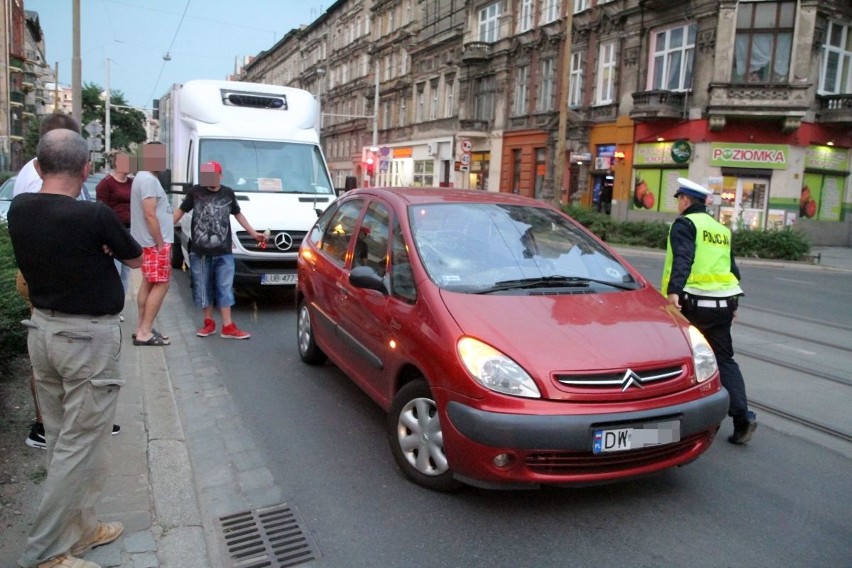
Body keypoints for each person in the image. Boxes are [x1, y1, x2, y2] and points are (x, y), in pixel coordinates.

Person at [7, 128, 143, 568]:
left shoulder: (20, 208)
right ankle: (45, 553)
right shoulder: (94, 216)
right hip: (86, 342)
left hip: (43, 334)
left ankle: (82, 527)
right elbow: (137, 257)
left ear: (39, 167)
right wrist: (106, 248)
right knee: (78, 446)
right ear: (87, 169)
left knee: (68, 440)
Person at [12, 112, 121, 449]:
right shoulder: (41, 189)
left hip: (51, 301)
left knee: (52, 367)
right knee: (80, 435)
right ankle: (51, 426)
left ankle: (53, 425)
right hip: (68, 310)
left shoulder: (29, 193)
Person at [661, 177, 757, 445]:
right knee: (725, 361)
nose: (678, 204)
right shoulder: (720, 229)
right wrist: (734, 304)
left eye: (678, 199)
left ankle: (680, 426)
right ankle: (743, 418)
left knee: (684, 361)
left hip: (693, 305)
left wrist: (674, 292)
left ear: (684, 200)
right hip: (723, 305)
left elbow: (684, 258)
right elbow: (731, 270)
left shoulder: (685, 224)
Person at [173, 160, 266, 339]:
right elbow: (180, 212)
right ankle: (208, 323)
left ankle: (228, 326)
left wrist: (253, 233)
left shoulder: (228, 193)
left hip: (223, 251)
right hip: (200, 251)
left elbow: (238, 213)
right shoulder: (195, 192)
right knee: (203, 288)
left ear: (220, 175)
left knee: (225, 288)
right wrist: (164, 227)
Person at [130, 142, 173, 346]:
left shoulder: (143, 177)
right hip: (153, 243)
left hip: (147, 243)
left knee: (149, 282)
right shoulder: (148, 180)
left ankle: (142, 327)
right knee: (162, 284)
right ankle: (144, 331)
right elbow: (150, 215)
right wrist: (160, 243)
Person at [96, 151, 134, 301]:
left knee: (127, 271)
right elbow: (100, 210)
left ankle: (120, 306)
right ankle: (112, 303)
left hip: (130, 230)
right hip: (114, 231)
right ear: (116, 163)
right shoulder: (106, 184)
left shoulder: (132, 183)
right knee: (116, 270)